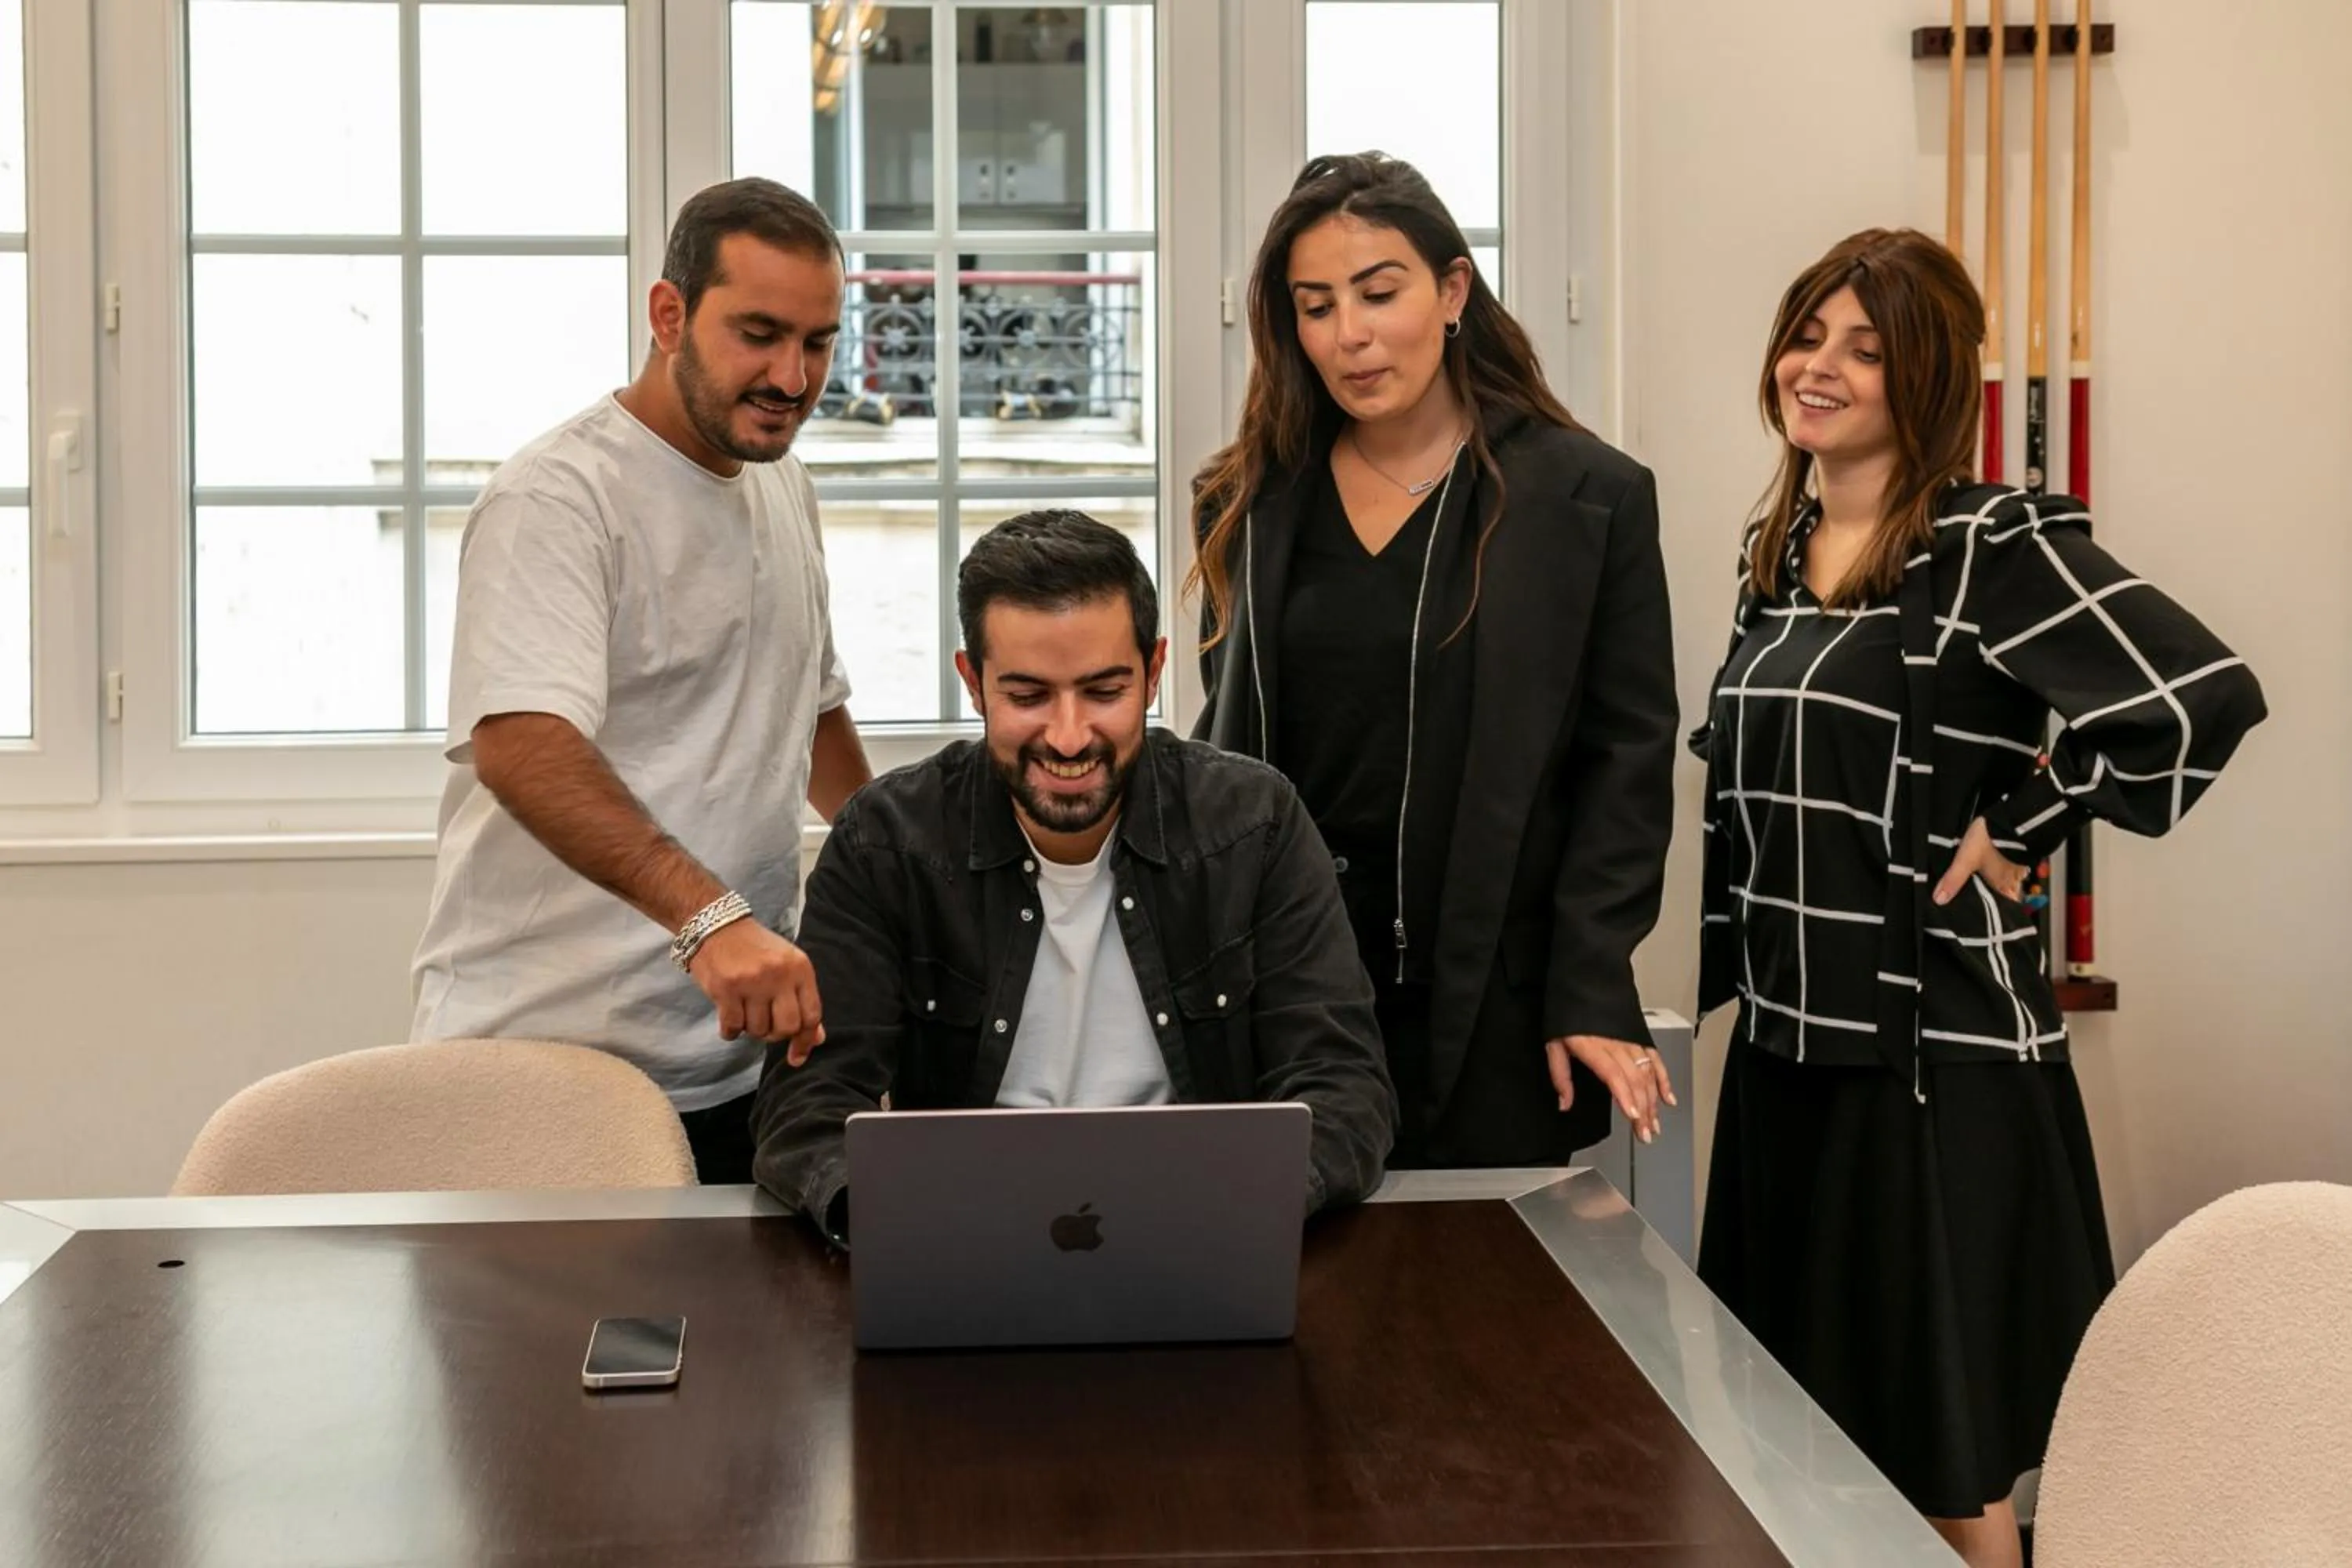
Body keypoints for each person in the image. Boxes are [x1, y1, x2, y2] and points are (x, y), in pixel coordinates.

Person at [1690, 227, 2267, 1568]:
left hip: (1932, 1070)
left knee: (1946, 1476)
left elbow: (2198, 699)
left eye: (1866, 348)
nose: (1818, 366)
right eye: (1809, 333)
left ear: (1927, 379)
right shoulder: (1774, 556)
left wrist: (2029, 823)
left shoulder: (1989, 543)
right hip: (1786, 1057)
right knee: (1792, 1452)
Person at [1189, 151, 1679, 1167]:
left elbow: (1625, 762)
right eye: (1314, 306)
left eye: (1379, 293)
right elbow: (1224, 757)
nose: (1349, 335)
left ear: (1453, 289)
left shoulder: (1586, 498)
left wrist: (1591, 980)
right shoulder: (1248, 498)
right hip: (1285, 992)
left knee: (1469, 1313)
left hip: (1493, 1000)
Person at [753, 511, 1396, 1239]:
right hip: (963, 1232)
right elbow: (807, 1110)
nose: (1067, 736)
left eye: (1103, 691)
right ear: (973, 682)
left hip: (1206, 1222)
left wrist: (1242, 1205)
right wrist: (904, 1226)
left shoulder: (1256, 823)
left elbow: (1344, 1089)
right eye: (1027, 696)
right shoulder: (884, 842)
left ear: (1154, 672)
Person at [412, 178, 873, 1185]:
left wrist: (908, 861)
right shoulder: (559, 497)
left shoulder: (784, 481)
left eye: (819, 341)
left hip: (736, 1068)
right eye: (758, 332)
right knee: (538, 1353)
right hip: (536, 1076)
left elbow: (810, 707)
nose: (792, 377)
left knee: (745, 1346)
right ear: (669, 315)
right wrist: (712, 919)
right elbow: (520, 743)